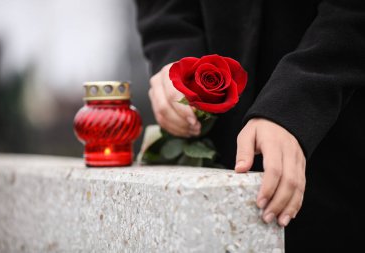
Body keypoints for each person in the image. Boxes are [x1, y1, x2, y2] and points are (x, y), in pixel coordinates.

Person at [133, 0, 365, 251]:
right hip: (216, 147)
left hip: (339, 136)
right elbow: (164, 11)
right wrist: (177, 62)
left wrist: (294, 104)